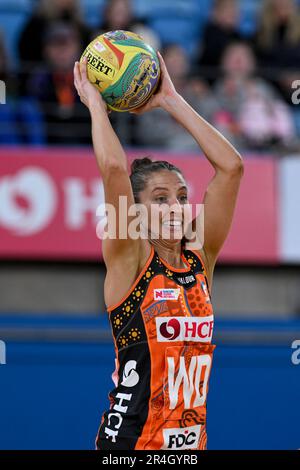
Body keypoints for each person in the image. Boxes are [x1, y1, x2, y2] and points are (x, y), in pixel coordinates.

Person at [74, 51, 244, 449]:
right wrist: (97, 108)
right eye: (160, 198)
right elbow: (116, 170)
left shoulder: (199, 259)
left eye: (182, 197)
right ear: (137, 211)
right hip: (131, 446)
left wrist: (170, 98)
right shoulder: (129, 258)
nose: (176, 208)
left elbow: (232, 168)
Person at [214, 41, 296, 150]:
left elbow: (276, 109)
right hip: (232, 142)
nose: (238, 61)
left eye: (243, 56)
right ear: (223, 62)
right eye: (233, 56)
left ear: (253, 63)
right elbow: (216, 114)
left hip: (263, 141)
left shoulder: (262, 86)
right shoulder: (218, 87)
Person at [28, 23, 90, 145]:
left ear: (78, 48)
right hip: (48, 143)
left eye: (66, 45)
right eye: (55, 45)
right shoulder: (38, 80)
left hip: (86, 145)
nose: (61, 52)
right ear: (45, 50)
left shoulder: (90, 79)